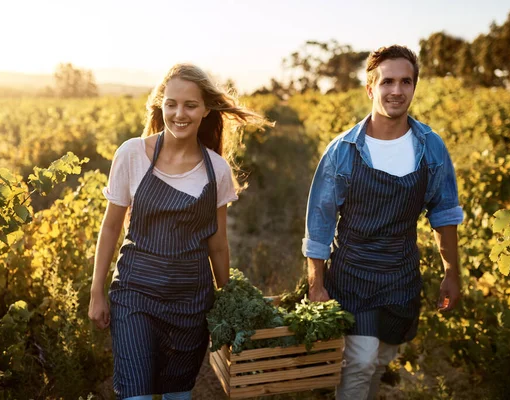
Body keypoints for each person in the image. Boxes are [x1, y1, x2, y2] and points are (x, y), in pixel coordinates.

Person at [88, 63, 268, 400]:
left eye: (190, 105)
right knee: (136, 395)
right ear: (160, 105)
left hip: (191, 302)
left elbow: (218, 243)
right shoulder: (132, 154)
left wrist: (226, 299)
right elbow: (111, 225)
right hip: (135, 293)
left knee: (177, 396)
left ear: (206, 109)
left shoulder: (216, 170)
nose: (179, 113)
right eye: (171, 104)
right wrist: (97, 290)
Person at [302, 45, 463, 400]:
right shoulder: (343, 150)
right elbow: (320, 223)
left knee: (379, 361)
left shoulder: (430, 147)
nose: (397, 90)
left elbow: (445, 213)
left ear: (414, 87)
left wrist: (452, 273)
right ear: (370, 88)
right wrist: (316, 282)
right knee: (359, 361)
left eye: (406, 81)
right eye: (387, 81)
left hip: (401, 276)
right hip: (352, 274)